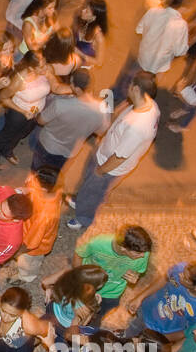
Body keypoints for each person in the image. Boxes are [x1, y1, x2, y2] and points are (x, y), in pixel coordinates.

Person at [67, 71, 161, 232]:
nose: (128, 87)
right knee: (90, 184)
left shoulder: (137, 127)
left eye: (131, 85)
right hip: (104, 153)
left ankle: (84, 217)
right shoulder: (150, 105)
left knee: (95, 190)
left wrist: (101, 170)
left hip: (109, 165)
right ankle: (81, 199)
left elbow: (119, 157)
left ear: (137, 89)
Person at [112, 0, 191, 103]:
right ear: (183, 8)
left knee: (129, 73)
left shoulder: (153, 11)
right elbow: (179, 51)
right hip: (157, 64)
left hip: (142, 54)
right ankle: (130, 102)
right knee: (143, 85)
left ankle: (118, 93)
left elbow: (139, 29)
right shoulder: (181, 25)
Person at [31, 68, 108, 172]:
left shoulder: (61, 104)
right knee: (54, 174)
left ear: (77, 89)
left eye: (71, 83)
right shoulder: (103, 109)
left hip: (48, 146)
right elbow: (101, 131)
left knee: (37, 171)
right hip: (70, 151)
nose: (69, 85)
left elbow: (41, 121)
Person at [122, 260, 196, 341]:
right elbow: (164, 279)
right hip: (148, 309)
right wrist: (140, 297)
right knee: (134, 327)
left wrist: (162, 339)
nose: (180, 275)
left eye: (185, 278)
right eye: (183, 272)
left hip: (161, 331)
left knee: (144, 350)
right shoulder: (182, 268)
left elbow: (187, 332)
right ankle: (125, 338)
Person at [75, 225, 153, 316]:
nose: (143, 256)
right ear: (123, 248)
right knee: (75, 313)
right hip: (86, 285)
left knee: (96, 317)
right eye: (138, 253)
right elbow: (78, 255)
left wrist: (136, 276)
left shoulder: (144, 252)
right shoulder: (97, 242)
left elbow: (138, 271)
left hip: (111, 294)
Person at [13, 167, 65, 283]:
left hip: (34, 248)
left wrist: (17, 252)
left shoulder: (44, 215)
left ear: (43, 189)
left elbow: (31, 243)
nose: (30, 179)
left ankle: (26, 277)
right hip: (31, 232)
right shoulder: (56, 190)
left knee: (28, 264)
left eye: (34, 180)